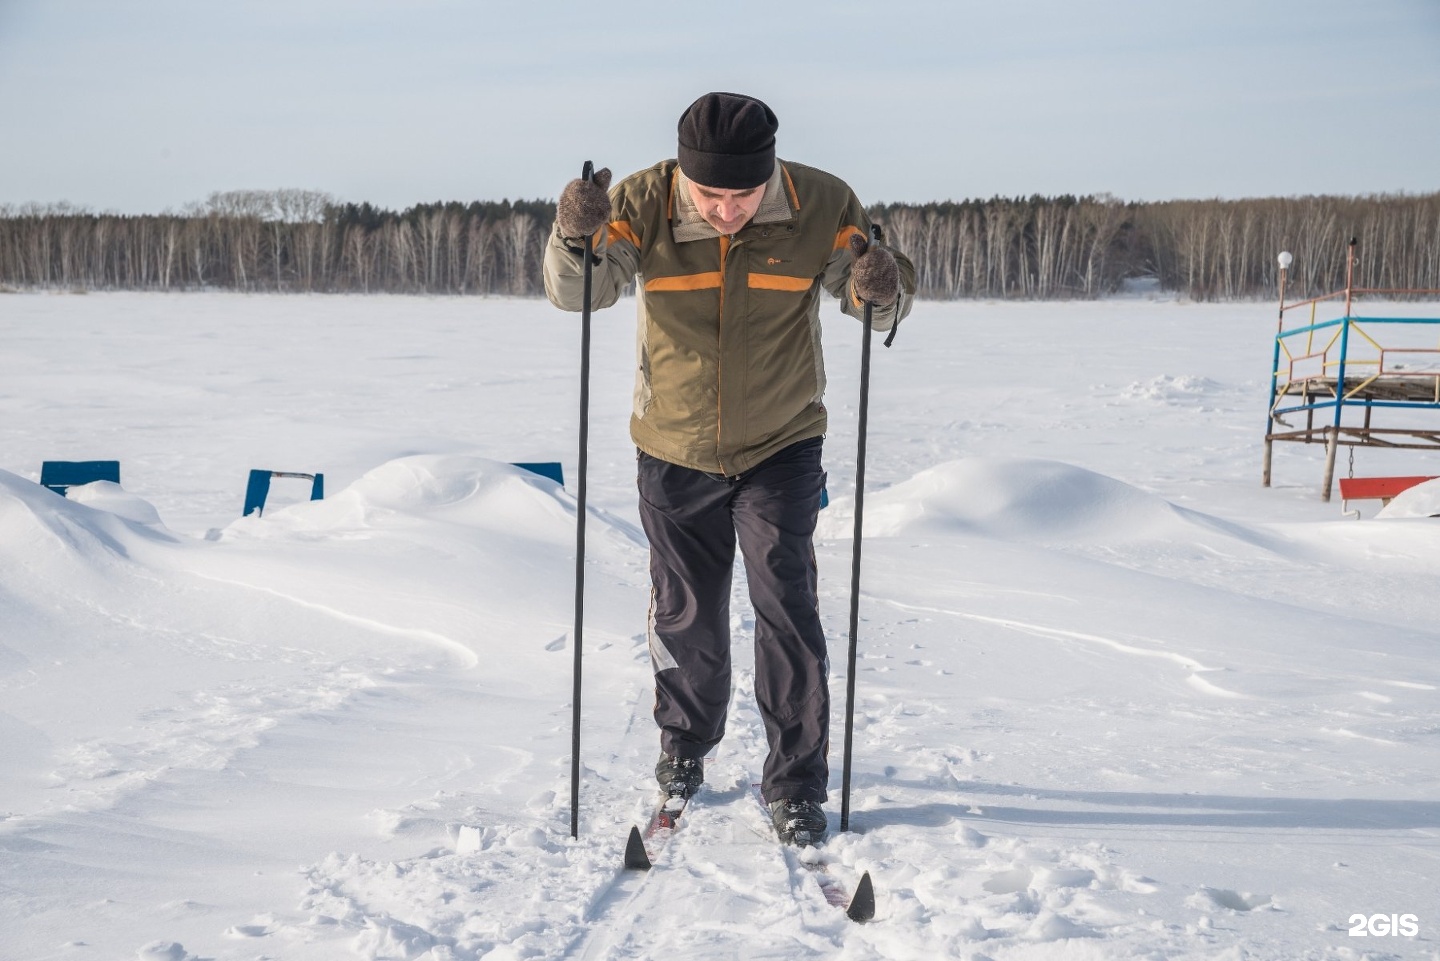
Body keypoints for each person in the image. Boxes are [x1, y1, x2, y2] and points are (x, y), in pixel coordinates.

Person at [543, 91, 914, 845]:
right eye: (709, 195)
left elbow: (874, 293)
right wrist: (570, 234)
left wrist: (885, 287)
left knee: (787, 606)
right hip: (673, 447)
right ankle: (684, 747)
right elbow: (581, 291)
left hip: (781, 444)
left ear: (769, 173)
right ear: (684, 176)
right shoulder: (642, 203)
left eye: (742, 195)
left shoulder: (824, 202)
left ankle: (797, 780)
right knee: (689, 615)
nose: (725, 211)